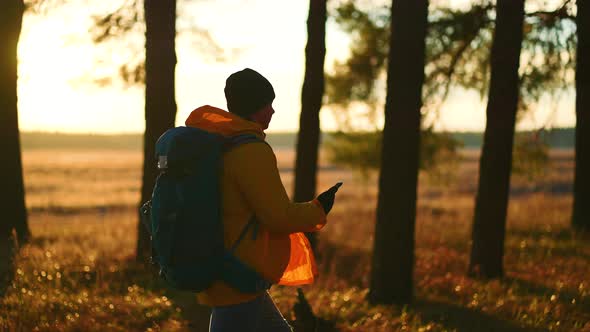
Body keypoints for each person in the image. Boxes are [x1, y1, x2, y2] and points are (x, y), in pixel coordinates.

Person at [184, 68, 340, 332]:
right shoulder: (251, 151)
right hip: (238, 272)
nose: (273, 111)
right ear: (256, 106)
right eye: (269, 103)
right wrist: (319, 209)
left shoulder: (222, 144)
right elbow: (278, 216)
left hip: (225, 266)